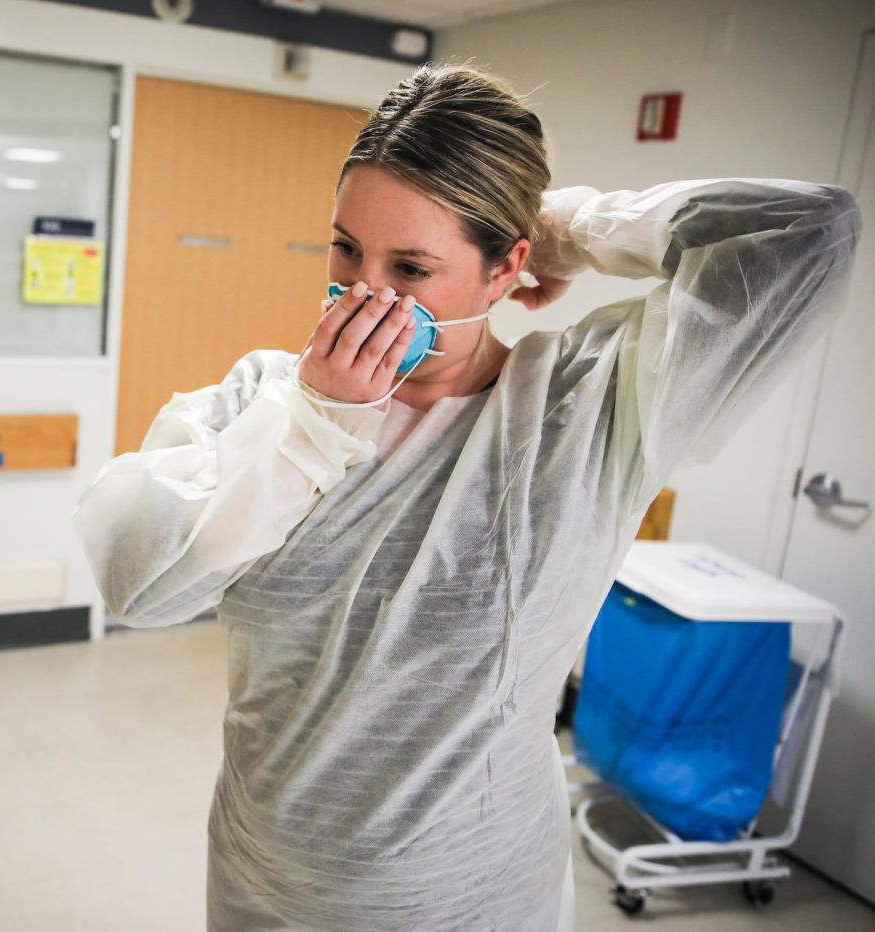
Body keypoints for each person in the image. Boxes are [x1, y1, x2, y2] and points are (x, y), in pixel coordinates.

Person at [74, 64, 861, 931]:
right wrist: (311, 427)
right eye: (345, 248)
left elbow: (806, 230)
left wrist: (572, 226)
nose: (363, 291)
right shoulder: (264, 402)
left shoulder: (581, 407)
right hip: (267, 885)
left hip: (470, 898)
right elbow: (137, 580)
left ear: (504, 270)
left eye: (411, 265)